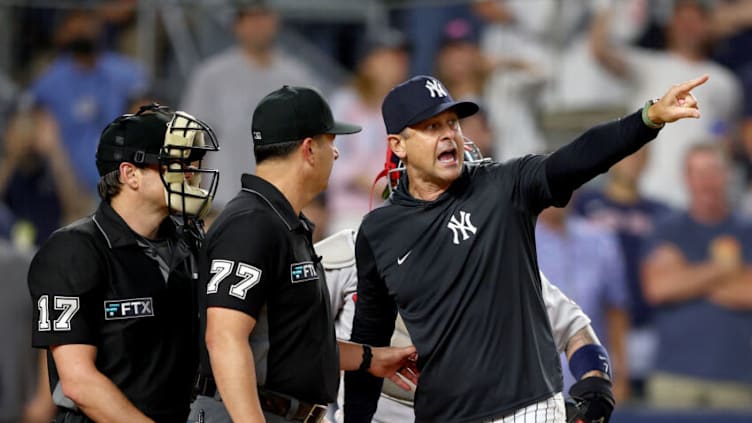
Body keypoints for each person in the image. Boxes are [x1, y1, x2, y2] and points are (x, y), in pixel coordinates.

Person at [344, 74, 707, 423]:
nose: (449, 136)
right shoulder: (379, 232)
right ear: (398, 145)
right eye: (431, 127)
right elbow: (369, 344)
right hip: (440, 413)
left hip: (527, 408)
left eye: (453, 123)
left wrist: (649, 118)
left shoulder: (502, 187)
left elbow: (577, 158)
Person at [190, 86, 417, 423]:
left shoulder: (283, 222)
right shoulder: (252, 224)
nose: (336, 155)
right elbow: (224, 337)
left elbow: (292, 344)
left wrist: (371, 358)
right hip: (248, 412)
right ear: (309, 149)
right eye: (331, 143)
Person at [28, 104, 220, 422]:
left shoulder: (191, 243)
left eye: (191, 163)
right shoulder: (74, 249)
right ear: (130, 174)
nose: (190, 173)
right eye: (175, 163)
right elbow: (78, 381)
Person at [591, 0, 742, 207]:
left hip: (697, 201)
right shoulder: (646, 65)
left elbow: (725, 137)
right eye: (681, 19)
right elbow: (600, 51)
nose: (688, 27)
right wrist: (605, 6)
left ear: (708, 26)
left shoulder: (725, 82)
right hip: (645, 195)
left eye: (695, 20)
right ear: (670, 25)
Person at [641, 143, 752, 409]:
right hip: (674, 377)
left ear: (727, 175)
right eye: (698, 173)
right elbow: (658, 288)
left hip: (737, 379)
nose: (706, 182)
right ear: (686, 179)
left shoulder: (747, 231)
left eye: (713, 172)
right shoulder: (666, 229)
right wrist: (724, 269)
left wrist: (686, 276)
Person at [182, 0, 322, 208]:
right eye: (250, 17)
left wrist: (313, 199)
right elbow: (193, 140)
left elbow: (315, 142)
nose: (258, 24)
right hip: (224, 197)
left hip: (283, 199)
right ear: (236, 24)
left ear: (275, 20)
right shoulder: (211, 75)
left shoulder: (298, 77)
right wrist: (194, 198)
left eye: (263, 16)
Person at [573, 146, 672, 398]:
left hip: (649, 327)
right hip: (595, 329)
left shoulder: (662, 213)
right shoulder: (584, 204)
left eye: (639, 155)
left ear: (648, 161)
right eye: (627, 153)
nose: (631, 162)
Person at [26, 8, 149, 194]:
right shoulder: (50, 79)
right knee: (43, 134)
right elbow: (34, 123)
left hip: (122, 178)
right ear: (63, 32)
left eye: (87, 23)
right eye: (75, 25)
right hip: (68, 183)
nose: (82, 30)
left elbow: (146, 108)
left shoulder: (125, 72)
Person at [536, 204, 631, 401]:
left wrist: (621, 373)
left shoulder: (600, 239)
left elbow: (616, 309)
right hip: (534, 384)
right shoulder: (514, 239)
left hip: (593, 374)